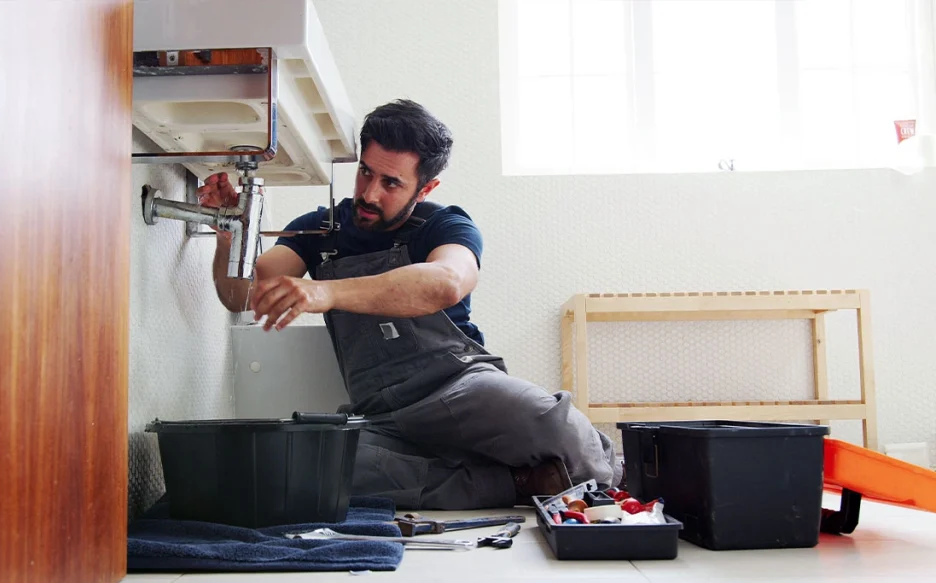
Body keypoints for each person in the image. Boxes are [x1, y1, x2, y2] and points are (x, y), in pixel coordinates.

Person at [198, 99, 622, 509]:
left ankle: (602, 490)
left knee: (559, 428)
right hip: (381, 413)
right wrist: (228, 236)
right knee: (306, 463)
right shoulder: (318, 229)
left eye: (391, 183)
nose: (369, 193)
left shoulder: (445, 224)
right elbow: (243, 295)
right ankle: (510, 482)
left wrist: (326, 292)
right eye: (365, 172)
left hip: (460, 388)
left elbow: (447, 282)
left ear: (426, 187)